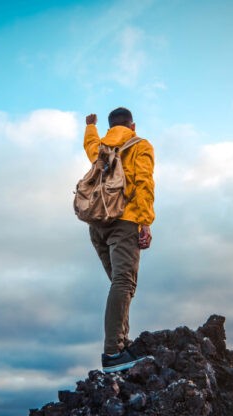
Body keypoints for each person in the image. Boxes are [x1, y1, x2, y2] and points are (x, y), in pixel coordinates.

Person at [83, 107, 155, 373]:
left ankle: (122, 343)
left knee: (121, 284)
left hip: (97, 223)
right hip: (124, 220)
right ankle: (113, 353)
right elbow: (143, 183)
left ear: (110, 127)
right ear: (132, 126)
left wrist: (90, 126)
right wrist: (145, 221)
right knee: (124, 283)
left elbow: (89, 144)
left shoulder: (102, 146)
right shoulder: (140, 145)